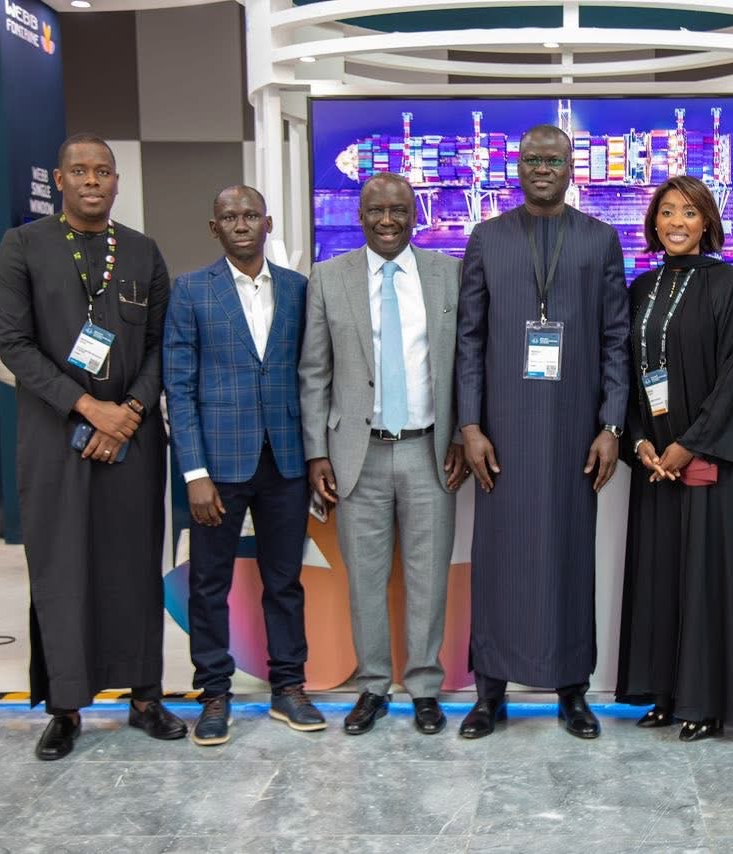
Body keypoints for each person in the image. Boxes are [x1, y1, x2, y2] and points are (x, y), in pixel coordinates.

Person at [0, 132, 186, 760]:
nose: (93, 180)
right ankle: (65, 707)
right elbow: (13, 344)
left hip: (131, 440)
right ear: (59, 180)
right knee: (62, 566)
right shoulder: (22, 246)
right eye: (80, 171)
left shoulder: (142, 252)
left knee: (133, 566)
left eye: (103, 170)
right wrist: (88, 408)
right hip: (54, 438)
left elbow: (161, 344)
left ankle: (145, 696)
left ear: (116, 181)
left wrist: (127, 412)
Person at [456, 125, 630, 739]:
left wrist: (611, 424)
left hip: (571, 431)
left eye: (554, 159)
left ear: (571, 167)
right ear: (516, 166)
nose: (542, 168)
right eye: (531, 159)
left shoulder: (599, 240)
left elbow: (616, 339)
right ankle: (489, 693)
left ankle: (572, 691)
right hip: (501, 432)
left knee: (566, 554)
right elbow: (469, 340)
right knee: (498, 558)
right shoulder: (487, 239)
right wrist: (470, 425)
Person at [300, 172, 467, 736]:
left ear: (415, 214)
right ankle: (372, 686)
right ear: (360, 215)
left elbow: (467, 365)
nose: (388, 220)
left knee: (427, 577)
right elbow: (314, 373)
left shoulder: (449, 275)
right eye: (376, 210)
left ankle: (423, 686)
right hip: (358, 455)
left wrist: (465, 435)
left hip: (429, 451)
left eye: (398, 209)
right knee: (365, 579)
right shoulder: (328, 278)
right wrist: (316, 453)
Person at [163, 185, 324, 746]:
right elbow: (178, 390)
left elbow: (312, 375)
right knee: (210, 584)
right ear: (214, 228)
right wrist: (194, 473)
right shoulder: (189, 292)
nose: (240, 224)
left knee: (285, 581)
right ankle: (213, 694)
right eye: (228, 216)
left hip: (285, 461)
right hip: (218, 468)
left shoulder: (300, 290)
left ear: (268, 222)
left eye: (250, 215)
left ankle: (289, 687)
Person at [615, 175, 733, 741]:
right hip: (656, 465)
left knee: (706, 581)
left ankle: (706, 703)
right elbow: (628, 378)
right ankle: (664, 693)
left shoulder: (729, 284)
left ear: (708, 222)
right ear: (654, 222)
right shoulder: (641, 289)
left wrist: (690, 445)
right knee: (661, 578)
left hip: (708, 464)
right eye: (667, 211)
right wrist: (642, 444)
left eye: (689, 212)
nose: (676, 222)